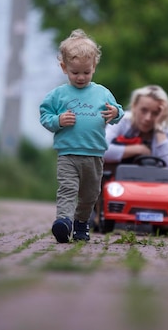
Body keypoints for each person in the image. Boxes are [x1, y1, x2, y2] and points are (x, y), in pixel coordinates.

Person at [40, 29, 124, 243]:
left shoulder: (102, 92)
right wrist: (58, 121)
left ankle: (81, 223)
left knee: (90, 195)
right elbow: (45, 115)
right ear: (64, 67)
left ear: (94, 67)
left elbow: (117, 112)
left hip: (94, 155)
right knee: (68, 189)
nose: (81, 77)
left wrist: (115, 113)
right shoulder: (58, 95)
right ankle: (63, 222)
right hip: (68, 154)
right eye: (75, 72)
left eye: (86, 72)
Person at [104, 84, 168, 168]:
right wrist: (138, 149)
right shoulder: (122, 121)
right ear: (134, 106)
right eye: (144, 110)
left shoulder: (165, 132)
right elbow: (101, 150)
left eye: (155, 113)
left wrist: (159, 129)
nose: (148, 118)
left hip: (151, 179)